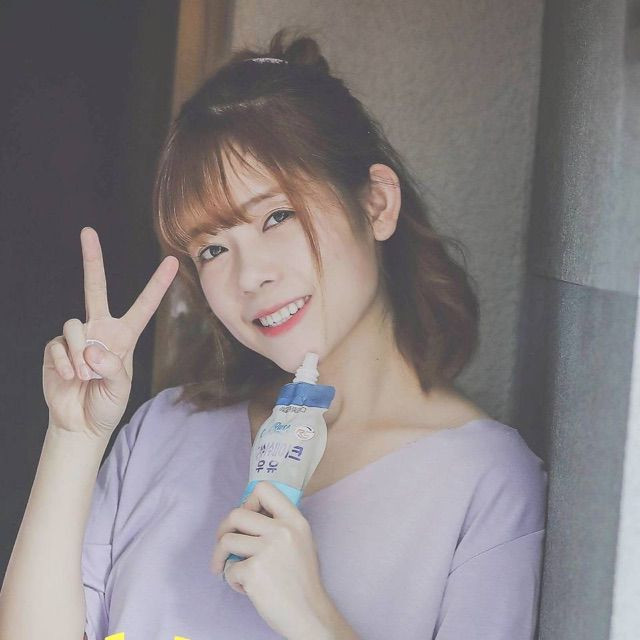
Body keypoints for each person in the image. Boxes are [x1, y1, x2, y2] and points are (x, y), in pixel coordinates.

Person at [0, 27, 548, 640]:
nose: (249, 276)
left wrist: (311, 615)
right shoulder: (165, 432)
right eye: (212, 249)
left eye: (277, 216)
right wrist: (74, 436)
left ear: (376, 204)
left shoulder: (487, 482)